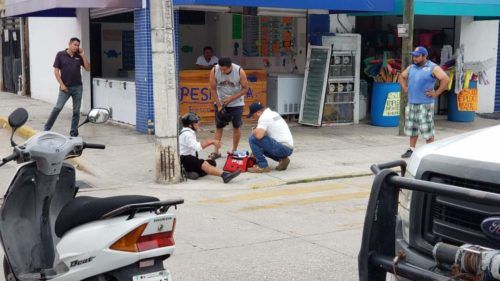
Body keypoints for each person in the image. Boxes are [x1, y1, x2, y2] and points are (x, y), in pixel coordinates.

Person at [399, 46, 450, 158]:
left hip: (425, 103)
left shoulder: (432, 67)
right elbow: (401, 76)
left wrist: (436, 93)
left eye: (417, 56)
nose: (414, 58)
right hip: (412, 102)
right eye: (414, 56)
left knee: (426, 128)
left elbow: (446, 79)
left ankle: (430, 151)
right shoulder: (411, 67)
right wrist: (405, 88)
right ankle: (411, 149)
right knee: (412, 127)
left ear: (424, 56)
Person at [45, 37, 91, 137]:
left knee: (76, 111)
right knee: (57, 108)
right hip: (65, 88)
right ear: (69, 44)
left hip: (78, 88)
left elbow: (88, 68)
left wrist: (83, 55)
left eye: (78, 45)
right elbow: (56, 71)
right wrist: (61, 84)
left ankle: (73, 132)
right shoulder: (60, 54)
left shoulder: (79, 56)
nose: (76, 47)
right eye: (75, 44)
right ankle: (46, 128)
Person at [179, 112, 241, 183]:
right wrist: (212, 141)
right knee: (203, 163)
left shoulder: (188, 132)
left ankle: (192, 173)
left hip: (190, 159)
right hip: (185, 160)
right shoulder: (187, 134)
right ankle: (224, 175)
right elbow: (197, 147)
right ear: (190, 125)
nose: (198, 123)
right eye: (196, 122)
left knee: (212, 162)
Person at [208, 57, 249, 160]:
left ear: (230, 66)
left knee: (236, 126)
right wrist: (218, 105)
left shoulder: (239, 71)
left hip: (236, 102)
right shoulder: (214, 70)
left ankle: (234, 150)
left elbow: (245, 89)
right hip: (220, 102)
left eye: (225, 69)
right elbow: (212, 88)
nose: (222, 71)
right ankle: (216, 151)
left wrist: (231, 98)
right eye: (221, 69)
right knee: (219, 126)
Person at [246, 103, 294, 173]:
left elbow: (258, 136)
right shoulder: (273, 113)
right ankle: (283, 159)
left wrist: (254, 130)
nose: (253, 118)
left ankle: (262, 166)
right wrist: (255, 152)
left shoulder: (264, 117)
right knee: (260, 144)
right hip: (288, 148)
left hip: (282, 148)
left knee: (252, 138)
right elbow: (263, 135)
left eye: (253, 116)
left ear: (258, 113)